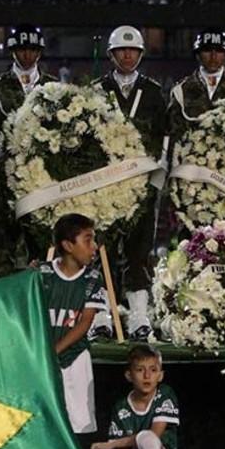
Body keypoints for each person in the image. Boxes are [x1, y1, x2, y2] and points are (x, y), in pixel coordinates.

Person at [93, 25, 168, 340]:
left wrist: (156, 176)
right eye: (122, 50)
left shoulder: (152, 91)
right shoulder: (96, 90)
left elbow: (164, 134)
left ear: (140, 54)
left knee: (138, 251)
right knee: (101, 249)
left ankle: (139, 315)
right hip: (105, 186)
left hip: (140, 185)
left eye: (133, 50)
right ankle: (99, 315)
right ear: (111, 54)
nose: (128, 55)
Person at [0, 25, 57, 278]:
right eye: (22, 49)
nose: (27, 55)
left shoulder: (54, 88)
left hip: (43, 178)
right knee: (1, 247)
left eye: (32, 50)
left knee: (43, 245)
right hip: (5, 178)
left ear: (40, 52)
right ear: (12, 51)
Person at [39, 213, 107, 435]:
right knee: (46, 425)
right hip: (42, 361)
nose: (94, 246)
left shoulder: (93, 278)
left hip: (75, 358)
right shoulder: (42, 275)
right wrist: (44, 354)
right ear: (68, 245)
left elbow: (84, 323)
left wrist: (54, 351)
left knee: (79, 428)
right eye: (88, 240)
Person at [166, 30, 225, 144]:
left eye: (219, 50)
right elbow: (172, 132)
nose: (213, 56)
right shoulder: (181, 90)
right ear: (197, 54)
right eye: (207, 50)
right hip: (189, 158)